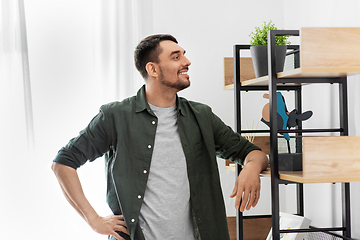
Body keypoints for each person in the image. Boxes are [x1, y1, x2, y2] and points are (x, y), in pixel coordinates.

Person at [52, 34, 268, 240]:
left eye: (184, 54)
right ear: (153, 69)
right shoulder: (115, 117)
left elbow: (253, 154)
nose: (187, 61)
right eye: (176, 57)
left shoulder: (202, 116)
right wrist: (94, 220)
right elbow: (63, 163)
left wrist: (251, 168)